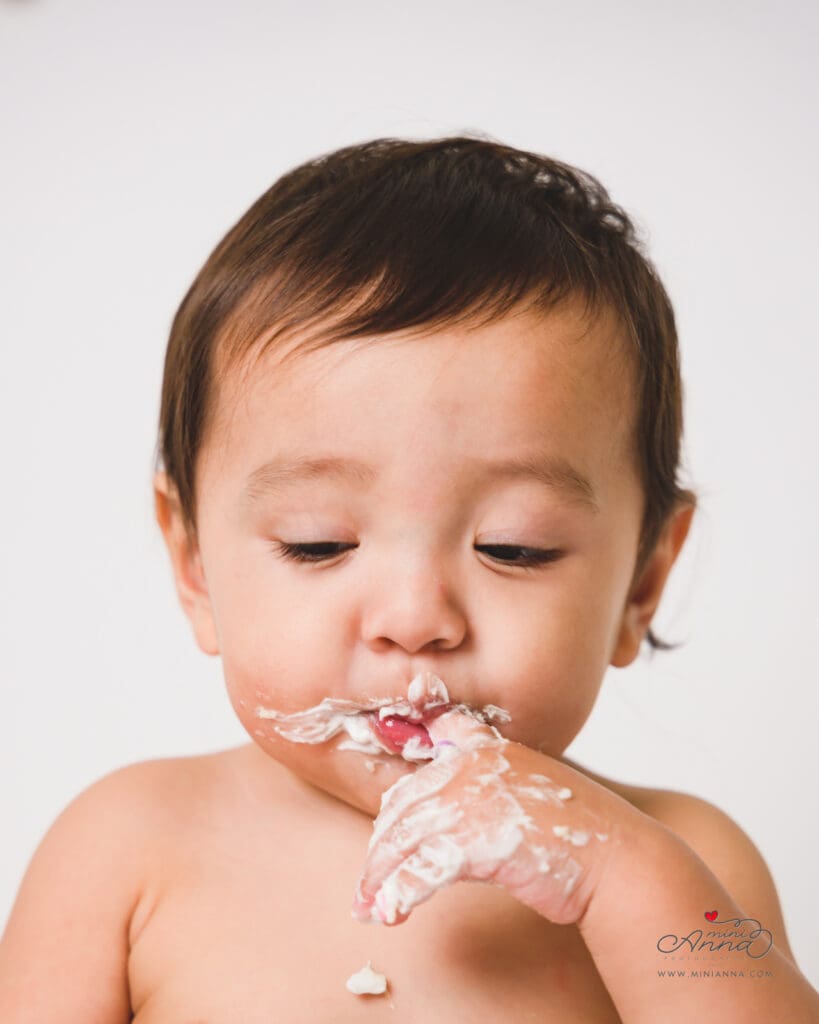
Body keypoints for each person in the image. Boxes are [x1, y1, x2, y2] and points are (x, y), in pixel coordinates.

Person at [1, 135, 816, 1022]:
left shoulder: (687, 864)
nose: (415, 617)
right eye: (318, 543)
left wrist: (620, 878)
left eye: (513, 547)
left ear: (640, 584)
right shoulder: (124, 851)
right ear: (194, 563)